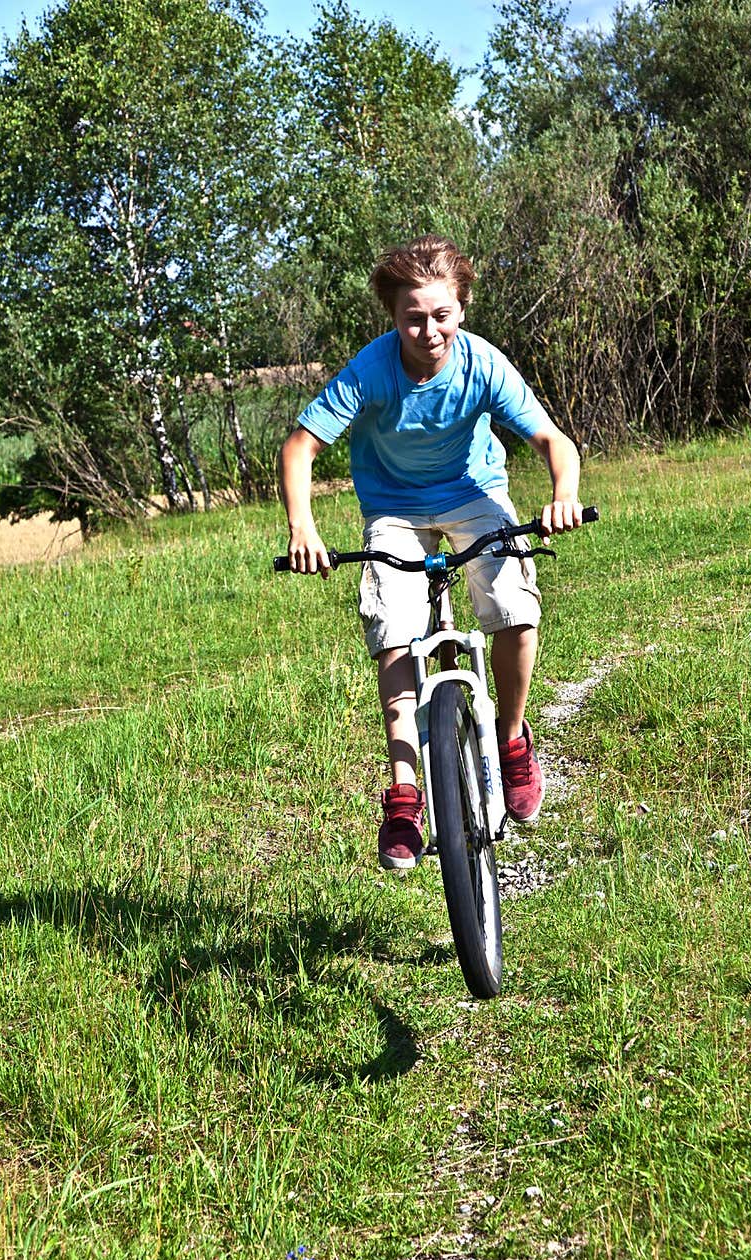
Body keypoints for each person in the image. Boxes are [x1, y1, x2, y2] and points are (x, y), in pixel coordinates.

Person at [278, 234, 586, 872]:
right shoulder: (371, 370)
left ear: (461, 310)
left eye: (441, 314)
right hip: (393, 508)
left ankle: (510, 739)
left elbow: (552, 440)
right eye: (413, 317)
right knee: (393, 629)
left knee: (512, 606)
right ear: (393, 317)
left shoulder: (483, 364)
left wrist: (562, 494)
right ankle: (404, 791)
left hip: (475, 494)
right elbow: (300, 448)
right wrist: (301, 528)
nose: (428, 330)